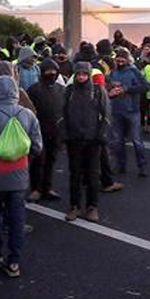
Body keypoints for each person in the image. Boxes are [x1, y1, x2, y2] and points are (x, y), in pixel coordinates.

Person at [0, 75, 42, 278]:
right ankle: (13, 262)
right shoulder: (28, 114)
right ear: (15, 91)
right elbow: (37, 146)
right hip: (19, 176)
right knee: (17, 219)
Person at [62, 62, 109, 222]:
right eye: (78, 74)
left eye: (84, 74)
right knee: (74, 174)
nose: (81, 77)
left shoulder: (97, 91)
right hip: (74, 139)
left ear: (89, 75)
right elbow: (62, 115)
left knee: (93, 175)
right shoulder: (69, 91)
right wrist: (65, 135)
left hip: (93, 139)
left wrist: (101, 135)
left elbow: (106, 114)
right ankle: (74, 206)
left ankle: (92, 206)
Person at [106, 47, 149, 177]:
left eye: (122, 58)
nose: (120, 60)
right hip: (116, 110)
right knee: (117, 141)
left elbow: (145, 87)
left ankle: (142, 167)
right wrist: (111, 91)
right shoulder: (112, 73)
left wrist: (127, 89)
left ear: (127, 59)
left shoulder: (134, 71)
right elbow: (107, 89)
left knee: (137, 140)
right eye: (118, 58)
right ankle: (121, 165)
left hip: (132, 111)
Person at [27, 58, 63, 202]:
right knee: (38, 160)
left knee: (51, 160)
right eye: (48, 71)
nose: (51, 73)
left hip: (56, 132)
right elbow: (28, 111)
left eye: (54, 71)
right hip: (38, 131)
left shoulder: (61, 89)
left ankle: (47, 188)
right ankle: (35, 189)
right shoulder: (34, 89)